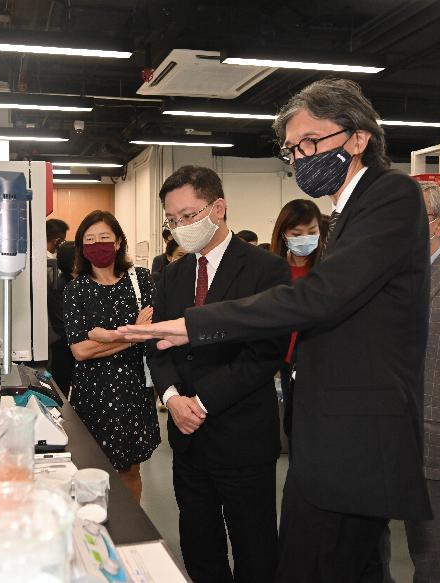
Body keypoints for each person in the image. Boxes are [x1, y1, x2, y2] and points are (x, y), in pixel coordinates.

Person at [118, 78, 432, 582]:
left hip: (353, 438)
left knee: (308, 563)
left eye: (310, 142)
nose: (301, 156)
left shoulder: (390, 193)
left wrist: (193, 326)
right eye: (292, 150)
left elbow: (318, 299)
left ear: (358, 137)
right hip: (329, 435)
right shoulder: (348, 212)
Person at [148, 165, 290, 582]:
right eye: (172, 221)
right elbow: (158, 345)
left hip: (242, 436)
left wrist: (202, 401)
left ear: (219, 208)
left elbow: (265, 353)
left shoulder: (266, 270)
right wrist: (173, 398)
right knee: (199, 544)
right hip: (187, 439)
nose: (180, 228)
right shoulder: (172, 274)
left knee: (255, 548)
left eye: (189, 216)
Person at [63, 211, 160, 502]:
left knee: (130, 470)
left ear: (118, 242)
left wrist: (106, 335)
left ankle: (130, 532)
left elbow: (154, 330)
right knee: (90, 470)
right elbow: (80, 351)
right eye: (89, 240)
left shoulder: (141, 280)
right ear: (81, 247)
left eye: (104, 238)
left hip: (134, 390)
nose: (97, 244)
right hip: (93, 392)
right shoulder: (76, 290)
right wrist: (132, 334)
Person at [400, 181, 440, 583]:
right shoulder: (381, 274)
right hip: (380, 431)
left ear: (439, 224)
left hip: (435, 436)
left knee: (433, 550)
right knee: (369, 542)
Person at [269, 199, 324, 441]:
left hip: (319, 360)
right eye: (297, 233)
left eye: (312, 232)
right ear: (284, 235)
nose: (306, 238)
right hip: (284, 359)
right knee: (292, 426)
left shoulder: (328, 270)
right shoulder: (271, 270)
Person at [48, 241, 76, 395]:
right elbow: (60, 324)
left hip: (79, 346)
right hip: (64, 349)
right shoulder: (60, 286)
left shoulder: (82, 283)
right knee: (61, 392)